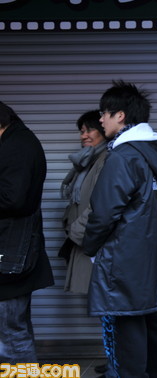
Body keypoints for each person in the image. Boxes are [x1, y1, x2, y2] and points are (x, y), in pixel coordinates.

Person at [83, 81, 157, 378]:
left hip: (123, 253)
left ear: (121, 116)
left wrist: (90, 246)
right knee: (153, 315)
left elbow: (104, 212)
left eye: (105, 113)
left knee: (126, 321)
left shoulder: (124, 156)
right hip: (155, 249)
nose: (100, 120)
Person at [0, 102, 54, 363]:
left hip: (11, 252)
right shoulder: (17, 141)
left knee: (11, 333)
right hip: (13, 250)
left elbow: (14, 199)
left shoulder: (18, 146)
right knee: (13, 329)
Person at [59, 110, 108, 294]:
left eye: (90, 130)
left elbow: (101, 202)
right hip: (84, 239)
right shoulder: (87, 162)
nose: (84, 136)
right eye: (82, 131)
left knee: (105, 301)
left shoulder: (107, 159)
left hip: (93, 241)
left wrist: (76, 231)